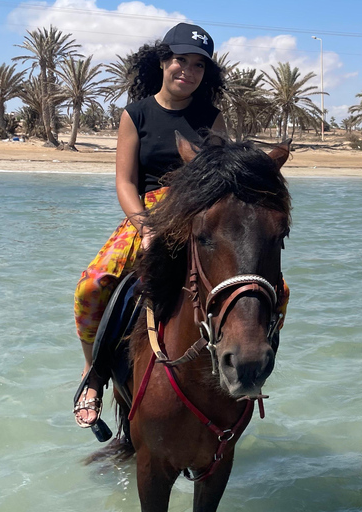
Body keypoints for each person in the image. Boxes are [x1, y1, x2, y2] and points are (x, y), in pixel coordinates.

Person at [73, 22, 226, 427]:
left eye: (198, 65)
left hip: (198, 210)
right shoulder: (136, 113)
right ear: (162, 61)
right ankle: (93, 373)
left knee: (274, 290)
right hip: (148, 213)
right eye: (180, 60)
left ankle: (251, 367)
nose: (188, 71)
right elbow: (125, 182)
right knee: (92, 285)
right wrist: (147, 228)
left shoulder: (213, 119)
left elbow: (220, 179)